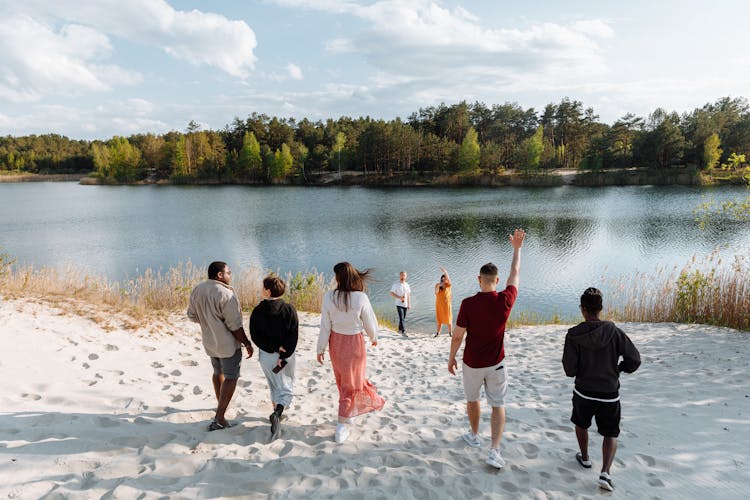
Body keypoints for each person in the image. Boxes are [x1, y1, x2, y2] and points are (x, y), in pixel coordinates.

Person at [448, 228, 526, 469]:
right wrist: (516, 249)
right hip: (496, 363)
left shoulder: (467, 304)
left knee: (472, 400)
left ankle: (474, 435)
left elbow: (458, 336)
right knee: (498, 404)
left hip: (472, 363)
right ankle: (494, 450)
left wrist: (451, 358)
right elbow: (515, 272)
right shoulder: (505, 299)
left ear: (479, 279)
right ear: (497, 281)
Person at [562, 287, 641, 492]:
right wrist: (619, 369)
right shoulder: (614, 332)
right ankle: (605, 472)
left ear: (583, 309)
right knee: (610, 433)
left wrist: (583, 368)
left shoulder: (573, 335)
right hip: (609, 394)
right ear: (601, 309)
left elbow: (569, 370)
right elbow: (635, 359)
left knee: (581, 424)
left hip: (583, 392)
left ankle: (586, 458)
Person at [317, 262, 385, 443]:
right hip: (355, 344)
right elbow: (370, 321)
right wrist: (374, 337)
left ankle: (347, 414)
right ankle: (342, 425)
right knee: (353, 383)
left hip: (335, 344)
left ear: (339, 278)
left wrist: (320, 348)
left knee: (343, 382)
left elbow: (325, 325)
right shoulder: (360, 298)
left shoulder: (329, 296)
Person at [188, 261, 254, 431]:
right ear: (219, 275)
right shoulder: (225, 293)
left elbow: (192, 316)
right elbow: (234, 325)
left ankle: (220, 406)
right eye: (228, 272)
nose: (230, 275)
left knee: (218, 372)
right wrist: (246, 342)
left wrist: (209, 323)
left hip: (210, 341)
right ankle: (219, 417)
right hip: (227, 344)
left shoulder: (198, 289)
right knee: (231, 376)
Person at [249, 275, 299, 439]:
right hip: (285, 356)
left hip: (266, 355)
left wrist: (273, 348)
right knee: (286, 386)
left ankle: (276, 413)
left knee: (274, 385)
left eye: (263, 287)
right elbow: (293, 334)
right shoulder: (289, 309)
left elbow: (255, 336)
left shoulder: (258, 310)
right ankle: (277, 413)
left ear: (268, 291)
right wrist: (283, 353)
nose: (261, 289)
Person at [389, 271, 411, 335]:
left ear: (406, 277)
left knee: (403, 318)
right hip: (398, 304)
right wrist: (399, 297)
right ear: (399, 276)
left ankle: (399, 330)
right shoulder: (396, 285)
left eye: (404, 275)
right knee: (401, 318)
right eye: (401, 275)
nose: (402, 277)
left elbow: (408, 295)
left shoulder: (407, 285)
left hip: (405, 304)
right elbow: (391, 293)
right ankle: (403, 331)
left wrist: (409, 304)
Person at [434, 266, 452, 337]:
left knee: (449, 318)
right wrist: (438, 286)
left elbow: (448, 278)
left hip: (447, 304)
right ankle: (438, 333)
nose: (444, 280)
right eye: (443, 279)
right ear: (441, 279)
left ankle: (450, 333)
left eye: (445, 279)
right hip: (439, 304)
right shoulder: (437, 285)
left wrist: (445, 271)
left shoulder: (448, 285)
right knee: (439, 319)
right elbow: (436, 293)